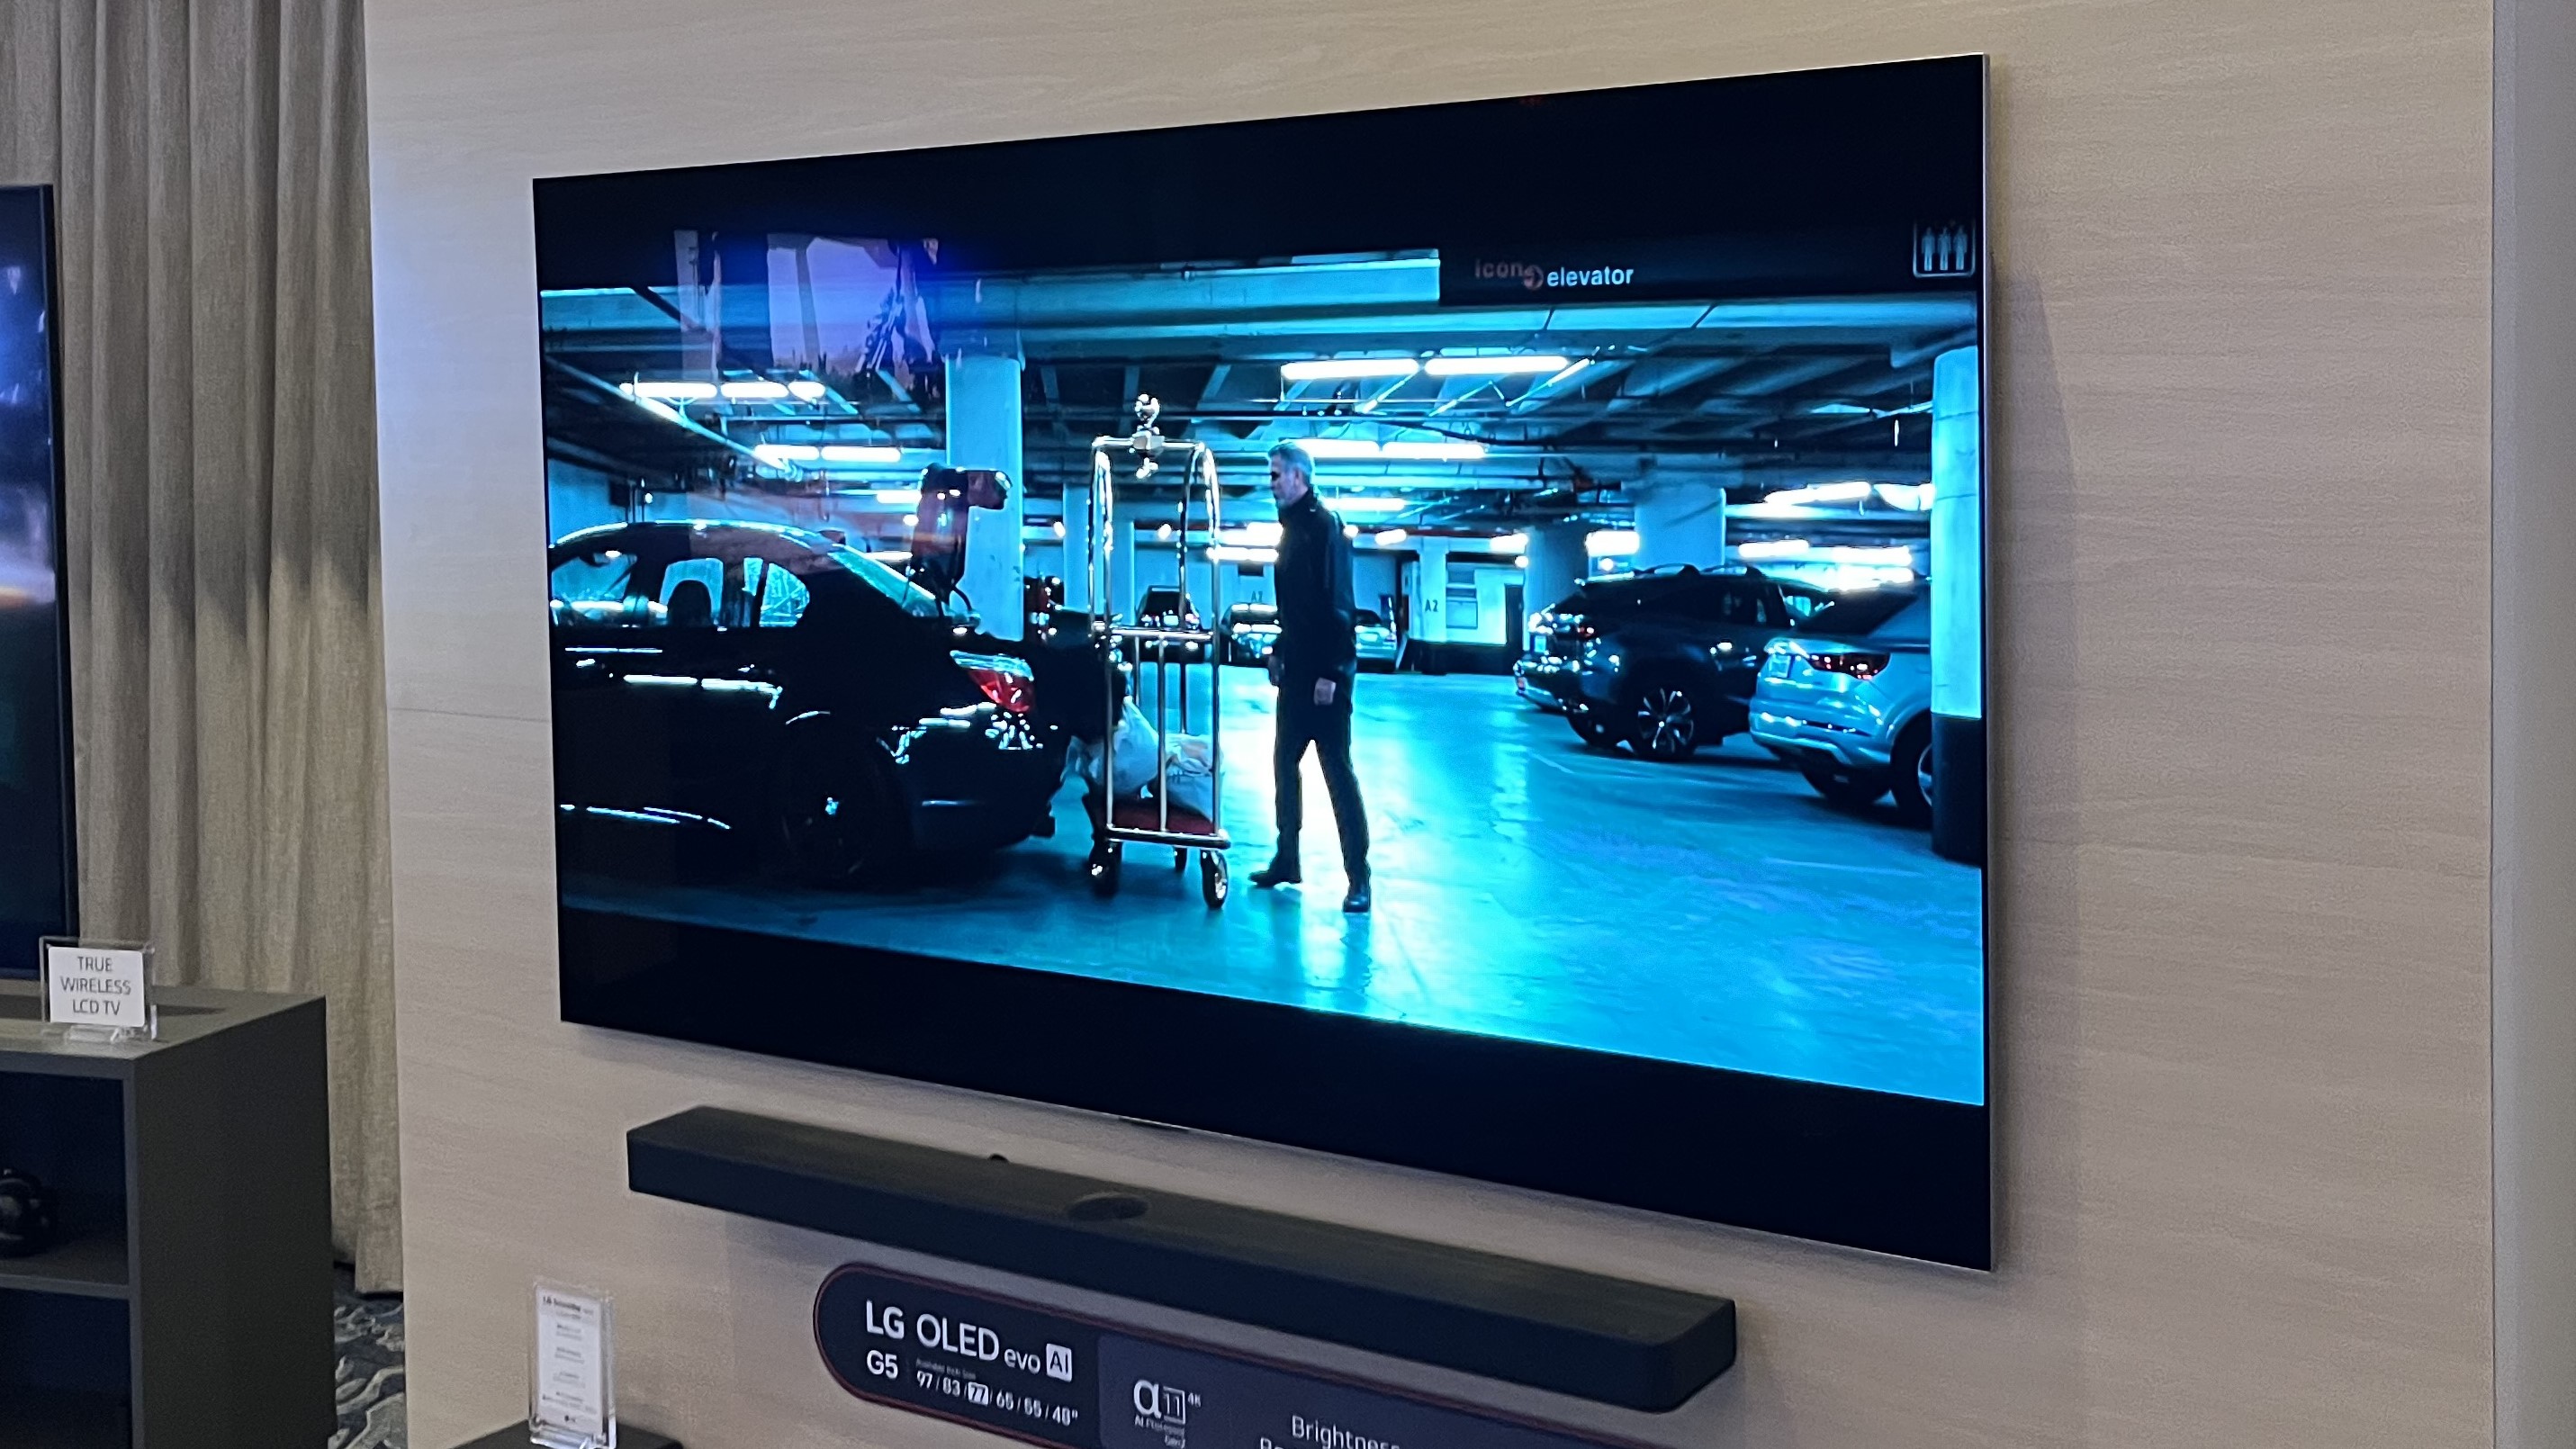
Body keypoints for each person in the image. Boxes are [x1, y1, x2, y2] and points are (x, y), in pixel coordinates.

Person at [1251, 441, 1371, 913]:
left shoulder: (1325, 526)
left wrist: (1332, 673)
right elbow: (1296, 610)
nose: (1272, 482)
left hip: (1325, 679)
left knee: (1336, 773)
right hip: (1298, 673)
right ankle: (1288, 858)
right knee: (1285, 764)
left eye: (1277, 474)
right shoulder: (1293, 530)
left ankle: (1358, 878)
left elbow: (1338, 604)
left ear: (1300, 477)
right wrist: (1280, 650)